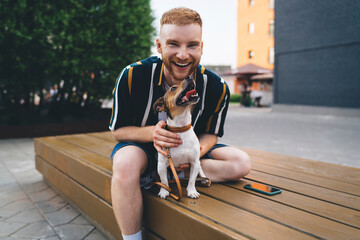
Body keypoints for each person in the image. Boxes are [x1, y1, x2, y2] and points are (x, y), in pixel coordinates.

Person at [109, 7, 251, 240]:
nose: (183, 55)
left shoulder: (217, 86)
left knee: (241, 163)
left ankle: (166, 175)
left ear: (201, 47)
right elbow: (118, 132)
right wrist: (152, 134)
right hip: (144, 147)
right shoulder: (132, 75)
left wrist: (191, 152)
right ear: (159, 46)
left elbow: (212, 134)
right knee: (125, 164)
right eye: (173, 44)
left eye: (192, 45)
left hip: (190, 146)